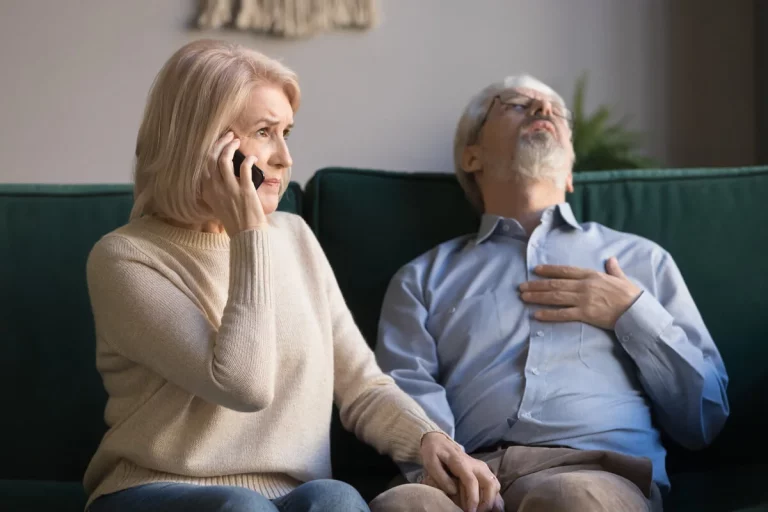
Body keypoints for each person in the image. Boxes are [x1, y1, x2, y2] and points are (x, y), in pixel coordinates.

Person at [83, 39, 501, 512]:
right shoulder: (124, 258)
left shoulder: (295, 236)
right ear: (202, 142)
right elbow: (244, 387)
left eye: (286, 133)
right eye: (264, 132)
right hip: (156, 488)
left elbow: (362, 385)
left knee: (337, 498)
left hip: (288, 496)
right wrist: (248, 234)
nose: (285, 156)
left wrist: (428, 438)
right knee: (243, 509)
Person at [374, 74, 730, 512]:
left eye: (556, 111)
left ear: (570, 172)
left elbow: (704, 419)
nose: (543, 110)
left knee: (570, 499)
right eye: (516, 104)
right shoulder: (421, 278)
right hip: (463, 477)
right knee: (404, 504)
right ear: (472, 155)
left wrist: (632, 313)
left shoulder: (642, 261)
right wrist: (452, 465)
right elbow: (403, 393)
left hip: (596, 472)